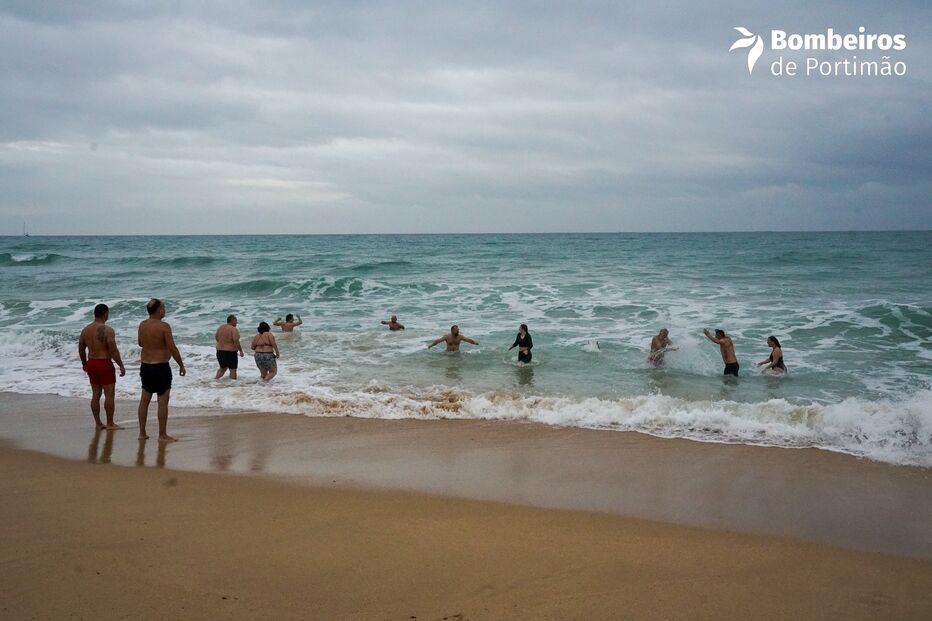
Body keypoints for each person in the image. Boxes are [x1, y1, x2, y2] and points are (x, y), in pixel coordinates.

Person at [137, 298, 186, 442]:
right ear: (158, 310)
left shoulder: (142, 325)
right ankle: (162, 435)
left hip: (145, 366)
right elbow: (172, 347)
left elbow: (140, 343)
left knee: (144, 400)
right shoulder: (164, 326)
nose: (164, 310)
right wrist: (181, 365)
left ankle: (142, 433)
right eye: (163, 307)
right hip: (160, 367)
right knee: (162, 402)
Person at [78, 303, 126, 429]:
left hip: (92, 363)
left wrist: (84, 363)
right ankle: (110, 423)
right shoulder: (107, 330)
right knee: (109, 395)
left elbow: (81, 349)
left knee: (96, 394)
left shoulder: (85, 330)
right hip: (104, 363)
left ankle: (98, 423)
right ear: (105, 314)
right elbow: (113, 351)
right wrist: (121, 365)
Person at [215, 314, 244, 380]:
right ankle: (233, 387)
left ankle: (215, 382)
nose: (237, 322)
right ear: (232, 320)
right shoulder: (233, 329)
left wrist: (222, 343)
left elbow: (216, 337)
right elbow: (236, 340)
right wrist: (240, 351)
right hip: (230, 352)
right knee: (233, 370)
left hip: (219, 351)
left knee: (222, 368)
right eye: (236, 320)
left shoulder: (221, 327)